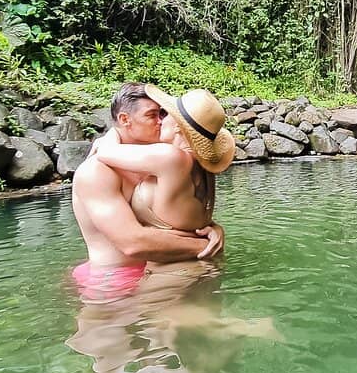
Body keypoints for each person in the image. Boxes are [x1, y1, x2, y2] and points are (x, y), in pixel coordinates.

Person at [70, 83, 234, 301]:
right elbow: (133, 242)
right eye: (153, 115)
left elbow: (179, 215)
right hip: (115, 279)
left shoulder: (161, 162)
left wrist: (211, 228)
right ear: (125, 120)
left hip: (160, 269)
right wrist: (203, 245)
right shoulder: (97, 172)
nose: (160, 121)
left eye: (163, 114)